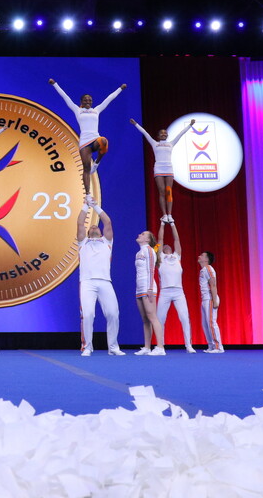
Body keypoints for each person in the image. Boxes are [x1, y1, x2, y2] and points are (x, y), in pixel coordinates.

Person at [49, 78, 127, 196]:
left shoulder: (96, 110)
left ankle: (97, 162)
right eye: (85, 100)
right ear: (81, 101)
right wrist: (55, 84)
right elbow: (65, 97)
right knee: (86, 168)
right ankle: (88, 194)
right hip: (85, 142)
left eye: (90, 100)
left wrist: (120, 89)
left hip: (95, 139)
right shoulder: (77, 110)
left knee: (104, 141)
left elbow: (109, 99)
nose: (88, 101)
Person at [77, 197, 125, 356]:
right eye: (91, 226)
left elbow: (108, 221)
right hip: (87, 283)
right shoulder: (83, 242)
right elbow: (79, 223)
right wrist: (85, 205)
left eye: (96, 225)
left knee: (113, 313)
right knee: (88, 314)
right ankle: (88, 346)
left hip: (105, 282)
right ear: (89, 232)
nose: (94, 226)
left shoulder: (107, 242)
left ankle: (113, 347)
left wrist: (95, 206)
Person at [129, 119, 195, 222]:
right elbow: (144, 132)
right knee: (161, 191)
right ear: (158, 136)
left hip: (168, 168)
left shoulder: (171, 143)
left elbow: (181, 134)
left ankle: (170, 214)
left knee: (168, 191)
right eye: (161, 133)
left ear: (167, 135)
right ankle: (164, 215)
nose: (164, 134)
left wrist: (190, 125)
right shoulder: (154, 143)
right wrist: (136, 124)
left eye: (165, 133)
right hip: (159, 168)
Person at [157, 219, 195, 353]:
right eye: (164, 246)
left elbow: (177, 240)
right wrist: (162, 224)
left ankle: (188, 345)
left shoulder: (177, 256)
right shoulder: (160, 256)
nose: (167, 245)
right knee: (160, 319)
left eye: (169, 245)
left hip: (179, 292)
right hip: (165, 292)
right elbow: (160, 239)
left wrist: (172, 224)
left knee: (184, 317)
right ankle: (160, 346)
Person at [134, 230, 165, 356]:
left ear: (147, 239)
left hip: (148, 287)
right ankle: (147, 347)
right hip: (139, 288)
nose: (139, 235)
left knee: (152, 316)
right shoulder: (138, 252)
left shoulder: (149, 250)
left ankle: (160, 347)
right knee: (145, 319)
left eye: (142, 234)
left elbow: (151, 269)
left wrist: (150, 288)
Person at [198, 251, 224, 353]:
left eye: (202, 255)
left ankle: (218, 347)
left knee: (211, 322)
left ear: (207, 259)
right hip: (205, 299)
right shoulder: (203, 270)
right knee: (205, 323)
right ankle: (211, 345)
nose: (199, 256)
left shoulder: (208, 268)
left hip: (210, 299)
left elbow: (213, 285)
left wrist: (214, 300)